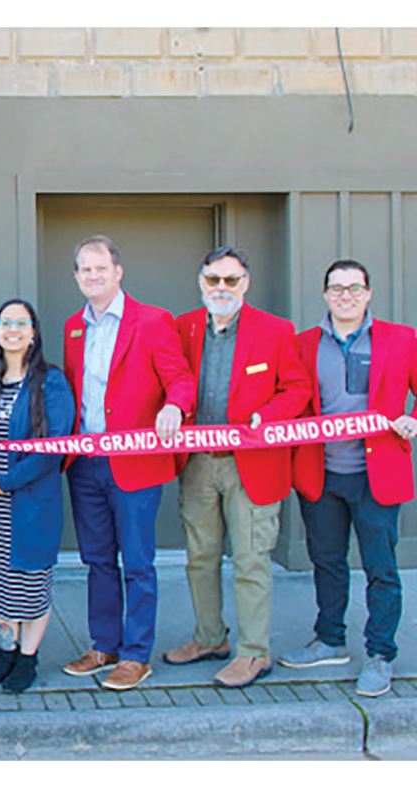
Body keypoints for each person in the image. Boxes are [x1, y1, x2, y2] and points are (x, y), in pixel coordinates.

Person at [165, 246, 310, 688]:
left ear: (245, 283)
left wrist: (266, 417)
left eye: (231, 280)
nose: (221, 288)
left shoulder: (276, 330)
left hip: (251, 464)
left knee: (250, 560)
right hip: (198, 464)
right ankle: (210, 638)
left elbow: (297, 388)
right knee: (200, 558)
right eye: (213, 279)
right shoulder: (184, 326)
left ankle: (253, 653)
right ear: (201, 282)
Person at [61, 235, 196, 691]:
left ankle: (137, 654)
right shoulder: (73, 327)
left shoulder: (153, 321)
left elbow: (179, 378)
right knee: (97, 560)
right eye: (84, 269)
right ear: (76, 276)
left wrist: (175, 407)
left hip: (135, 463)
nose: (92, 276)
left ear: (118, 272)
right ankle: (105, 644)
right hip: (85, 462)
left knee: (137, 562)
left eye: (100, 268)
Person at [282, 259, 417, 698]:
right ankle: (330, 639)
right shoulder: (303, 344)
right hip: (321, 475)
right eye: (337, 288)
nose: (346, 296)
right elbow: (292, 400)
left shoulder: (401, 339)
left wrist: (413, 419)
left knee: (381, 569)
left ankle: (380, 654)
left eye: (355, 288)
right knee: (327, 562)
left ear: (369, 293)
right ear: (325, 294)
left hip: (377, 475)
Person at [0, 299, 74, 694]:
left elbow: (54, 444)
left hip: (28, 501)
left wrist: (7, 480)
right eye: (5, 322)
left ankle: (28, 659)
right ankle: (5, 651)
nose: (13, 330)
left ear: (33, 332)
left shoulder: (50, 381)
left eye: (21, 323)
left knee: (28, 583)